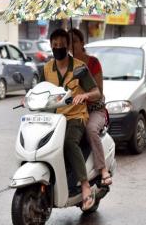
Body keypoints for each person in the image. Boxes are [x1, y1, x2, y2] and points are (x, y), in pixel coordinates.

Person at [41, 28, 101, 211]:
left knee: (68, 142)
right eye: (55, 45)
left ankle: (84, 186)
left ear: (68, 46)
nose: (58, 48)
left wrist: (85, 96)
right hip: (55, 117)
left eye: (62, 45)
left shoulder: (79, 68)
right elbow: (41, 90)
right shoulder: (47, 68)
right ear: (51, 46)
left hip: (76, 116)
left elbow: (97, 93)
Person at [68, 28, 112, 187]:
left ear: (82, 43)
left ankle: (102, 169)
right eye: (69, 42)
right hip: (72, 111)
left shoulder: (92, 62)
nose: (71, 45)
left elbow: (98, 92)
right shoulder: (66, 65)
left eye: (74, 41)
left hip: (94, 110)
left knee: (91, 129)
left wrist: (84, 94)